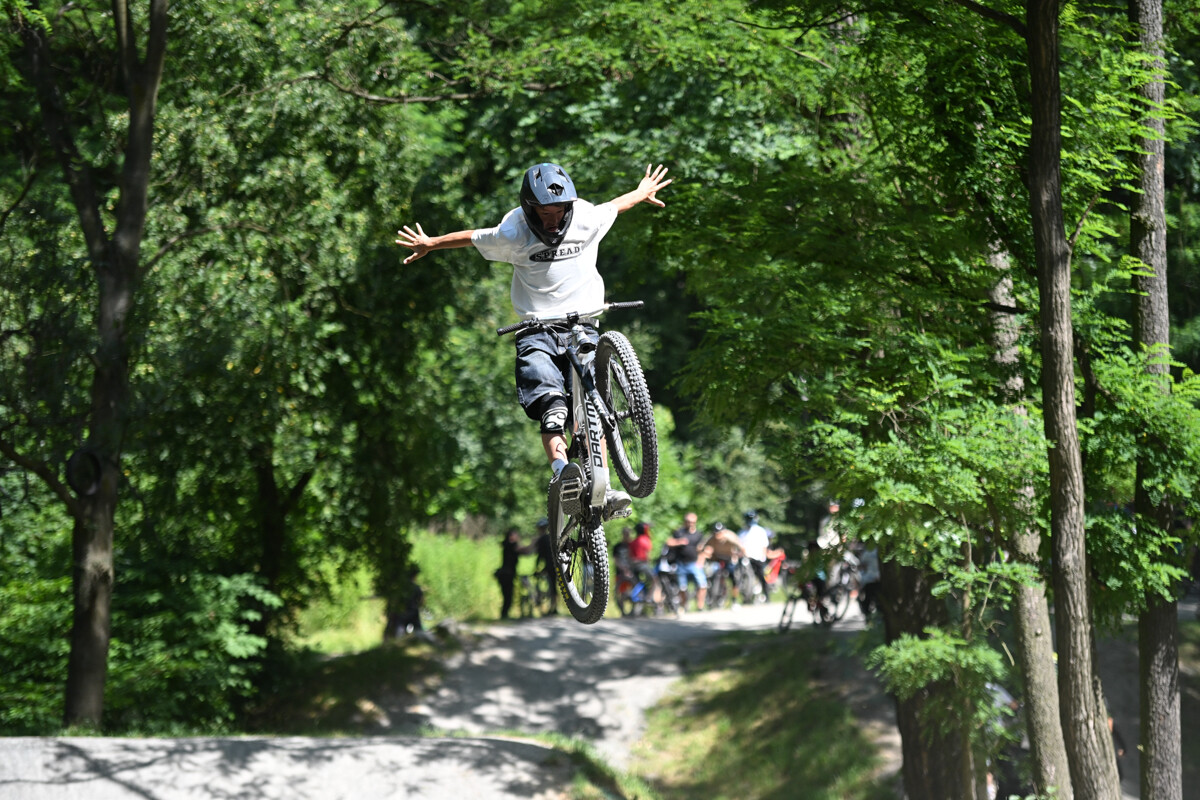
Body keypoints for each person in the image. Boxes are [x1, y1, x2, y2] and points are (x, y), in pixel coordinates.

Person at [397, 162, 672, 521]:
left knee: (593, 405)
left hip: (583, 324)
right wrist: (431, 244)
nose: (553, 220)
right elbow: (472, 236)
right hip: (536, 329)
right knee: (553, 406)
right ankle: (562, 474)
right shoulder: (513, 231)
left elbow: (616, 205)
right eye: (544, 213)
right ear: (529, 209)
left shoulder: (585, 217)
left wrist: (641, 191)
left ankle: (603, 484)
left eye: (559, 212)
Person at [665, 512, 707, 611]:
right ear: (685, 522)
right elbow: (668, 542)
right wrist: (679, 542)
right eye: (688, 522)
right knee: (682, 588)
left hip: (694, 564)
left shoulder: (699, 534)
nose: (690, 524)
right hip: (681, 564)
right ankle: (684, 606)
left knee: (702, 585)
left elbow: (703, 550)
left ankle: (700, 606)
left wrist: (701, 561)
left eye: (692, 522)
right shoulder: (679, 533)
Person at [701, 522, 744, 606]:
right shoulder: (711, 538)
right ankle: (711, 596)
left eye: (720, 533)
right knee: (710, 573)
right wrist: (706, 552)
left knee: (734, 577)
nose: (718, 535)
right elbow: (702, 547)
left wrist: (739, 555)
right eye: (716, 533)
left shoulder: (731, 537)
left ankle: (734, 599)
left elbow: (741, 548)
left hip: (729, 559)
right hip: (717, 559)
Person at [738, 510, 773, 600]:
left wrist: (763, 557)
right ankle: (745, 596)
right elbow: (739, 545)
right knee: (740, 575)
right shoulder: (742, 532)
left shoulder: (760, 531)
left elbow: (764, 545)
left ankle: (767, 594)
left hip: (758, 557)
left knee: (761, 576)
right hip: (746, 558)